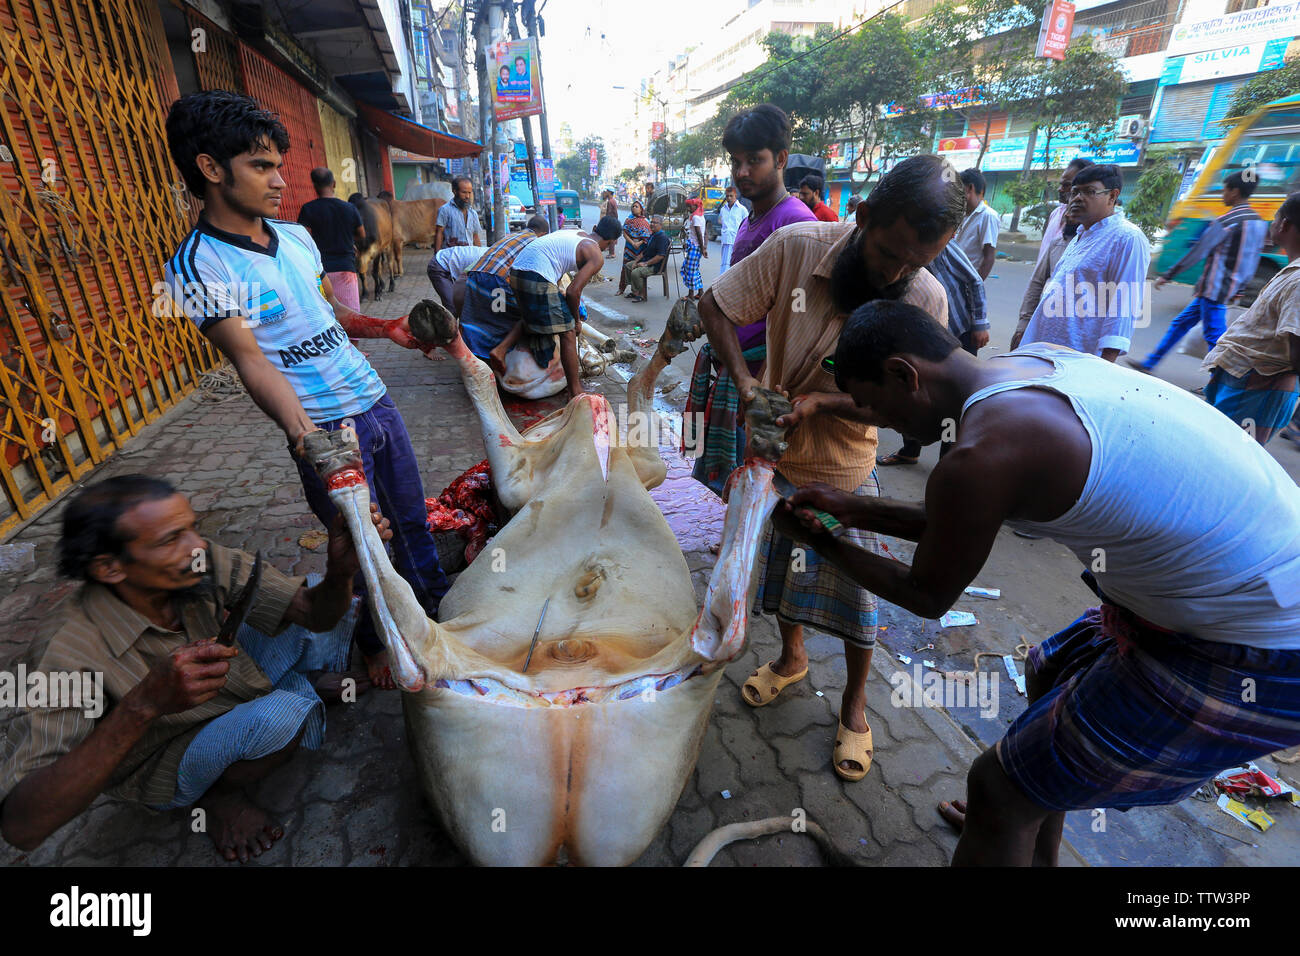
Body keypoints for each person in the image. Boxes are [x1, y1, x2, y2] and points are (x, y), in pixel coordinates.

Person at [775, 300, 1300, 866]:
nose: (881, 424)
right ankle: (1025, 843)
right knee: (1048, 671)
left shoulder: (984, 452)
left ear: (906, 374)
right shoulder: (1030, 367)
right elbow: (965, 519)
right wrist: (848, 509)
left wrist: (823, 541)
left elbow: (927, 595)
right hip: (1238, 593)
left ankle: (1008, 821)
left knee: (997, 789)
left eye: (876, 406)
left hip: (1260, 648)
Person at [162, 90, 451, 690]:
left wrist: (384, 328)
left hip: (375, 400)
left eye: (278, 165)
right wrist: (308, 441)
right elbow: (251, 362)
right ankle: (377, 639)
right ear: (211, 169)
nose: (278, 180)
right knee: (364, 546)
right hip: (323, 430)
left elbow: (323, 316)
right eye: (260, 166)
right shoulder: (194, 269)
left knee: (412, 523)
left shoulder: (295, 237)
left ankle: (438, 617)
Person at [697, 154, 962, 781]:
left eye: (915, 262)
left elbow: (918, 410)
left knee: (854, 599)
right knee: (783, 575)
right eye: (887, 253)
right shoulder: (794, 247)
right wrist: (748, 383)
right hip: (770, 453)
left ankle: (856, 706)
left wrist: (825, 402)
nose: (895, 274)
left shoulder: (924, 298)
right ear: (862, 216)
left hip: (844, 464)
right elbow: (715, 307)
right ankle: (792, 661)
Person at [0, 476, 392, 862]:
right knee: (283, 716)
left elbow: (310, 610)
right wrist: (143, 705)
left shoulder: (201, 560)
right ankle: (218, 796)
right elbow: (22, 827)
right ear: (109, 568)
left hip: (229, 677)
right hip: (162, 752)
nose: (196, 547)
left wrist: (342, 571)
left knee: (320, 589)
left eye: (191, 528)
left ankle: (299, 680)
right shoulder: (65, 651)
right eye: (171, 539)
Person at [684, 104, 816, 497]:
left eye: (754, 160)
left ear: (780, 159)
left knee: (756, 483)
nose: (742, 172)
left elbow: (800, 314)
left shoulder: (795, 222)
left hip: (762, 375)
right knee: (735, 481)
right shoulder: (751, 217)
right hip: (740, 367)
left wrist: (756, 382)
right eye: (736, 162)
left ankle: (747, 553)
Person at [1129, 171, 1270, 374]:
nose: (1223, 195)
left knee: (1214, 337)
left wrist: (1168, 275)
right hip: (1226, 287)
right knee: (1180, 323)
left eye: (1224, 190)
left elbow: (1198, 252)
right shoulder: (1258, 222)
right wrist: (1241, 287)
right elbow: (1254, 259)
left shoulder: (1226, 221)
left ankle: (1217, 379)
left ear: (1235, 192)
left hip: (1214, 287)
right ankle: (1150, 363)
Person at [1200, 191, 1300, 445]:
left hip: (1257, 388)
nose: (1272, 224)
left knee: (1227, 457)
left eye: (1275, 218)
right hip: (1241, 378)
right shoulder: (1291, 271)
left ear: (1284, 224)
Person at [1020, 164, 1148, 361]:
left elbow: (1124, 307)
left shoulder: (1127, 237)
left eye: (1089, 192)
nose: (1078, 198)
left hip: (1079, 358)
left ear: (1112, 196)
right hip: (1044, 350)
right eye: (1075, 192)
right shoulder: (1080, 236)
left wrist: (1103, 366)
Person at [880, 241, 988, 465]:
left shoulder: (940, 244)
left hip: (957, 332)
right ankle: (910, 450)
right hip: (924, 332)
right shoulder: (891, 246)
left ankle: (946, 463)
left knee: (952, 399)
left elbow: (974, 280)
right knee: (911, 391)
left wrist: (979, 324)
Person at [495, 216, 622, 396]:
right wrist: (576, 321)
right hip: (536, 275)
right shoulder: (595, 255)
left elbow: (555, 266)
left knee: (529, 318)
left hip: (516, 272)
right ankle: (575, 390)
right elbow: (573, 291)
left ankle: (499, 350)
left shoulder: (575, 233)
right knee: (568, 331)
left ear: (595, 227)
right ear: (612, 242)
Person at [457, 216, 549, 362]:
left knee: (480, 317)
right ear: (543, 235)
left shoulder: (513, 235)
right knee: (502, 319)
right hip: (496, 281)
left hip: (476, 276)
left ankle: (474, 354)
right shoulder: (536, 243)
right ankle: (497, 354)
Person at [297, 167, 365, 311]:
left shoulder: (308, 209)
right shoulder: (349, 208)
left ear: (314, 186)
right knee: (350, 316)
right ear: (333, 184)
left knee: (326, 314)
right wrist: (348, 240)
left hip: (320, 273)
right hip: (346, 270)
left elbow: (301, 239)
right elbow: (361, 234)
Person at [1036, 158, 1092, 270]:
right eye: (1061, 184)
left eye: (1066, 185)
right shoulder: (1056, 214)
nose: (1060, 189)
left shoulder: (1090, 222)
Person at [952, 168, 999, 280]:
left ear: (970, 188)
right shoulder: (962, 213)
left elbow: (989, 257)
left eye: (959, 189)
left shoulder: (988, 216)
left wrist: (976, 286)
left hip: (966, 280)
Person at [426, 243, 488, 316]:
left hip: (454, 264)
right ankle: (445, 326)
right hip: (439, 265)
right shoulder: (487, 262)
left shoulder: (493, 255)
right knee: (452, 307)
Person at [434, 175, 486, 253]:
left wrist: (480, 257)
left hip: (469, 256)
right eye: (464, 192)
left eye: (469, 192)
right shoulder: (445, 210)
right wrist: (437, 255)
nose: (467, 196)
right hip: (451, 256)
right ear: (454, 191)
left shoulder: (473, 213)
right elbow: (439, 233)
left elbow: (475, 237)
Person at [625, 215, 670, 301]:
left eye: (655, 223)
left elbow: (660, 256)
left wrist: (645, 264)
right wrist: (636, 261)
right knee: (628, 266)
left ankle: (642, 294)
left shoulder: (662, 238)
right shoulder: (653, 235)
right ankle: (635, 291)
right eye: (651, 222)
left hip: (655, 266)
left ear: (661, 225)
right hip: (646, 260)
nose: (652, 224)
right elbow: (645, 252)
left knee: (636, 272)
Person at [618, 200, 651, 295]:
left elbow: (647, 236)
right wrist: (632, 243)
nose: (634, 208)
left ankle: (637, 290)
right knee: (625, 268)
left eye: (636, 206)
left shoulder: (646, 221)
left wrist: (639, 243)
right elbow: (624, 233)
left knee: (636, 269)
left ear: (641, 209)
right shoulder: (628, 220)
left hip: (640, 249)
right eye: (633, 206)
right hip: (629, 248)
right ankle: (621, 288)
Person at [681, 197, 707, 300]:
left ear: (695, 206)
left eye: (689, 206)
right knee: (695, 270)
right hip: (697, 247)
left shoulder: (696, 218)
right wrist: (704, 248)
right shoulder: (701, 216)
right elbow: (705, 233)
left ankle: (691, 295)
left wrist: (702, 248)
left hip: (694, 247)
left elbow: (700, 234)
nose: (688, 208)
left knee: (690, 270)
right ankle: (700, 292)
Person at [717, 185, 746, 274]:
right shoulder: (723, 209)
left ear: (735, 196)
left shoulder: (742, 209)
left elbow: (746, 225)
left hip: (736, 241)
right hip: (725, 240)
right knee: (725, 263)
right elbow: (720, 220)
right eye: (727, 196)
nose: (729, 198)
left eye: (731, 196)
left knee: (733, 265)